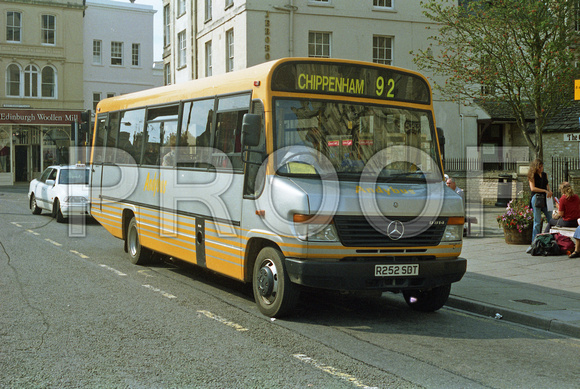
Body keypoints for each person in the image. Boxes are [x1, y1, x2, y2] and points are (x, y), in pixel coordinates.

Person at [528, 158, 552, 242]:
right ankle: (535, 241)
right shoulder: (532, 175)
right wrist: (544, 190)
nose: (541, 168)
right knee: (537, 221)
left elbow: (547, 184)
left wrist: (549, 191)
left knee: (550, 219)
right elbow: (532, 188)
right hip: (537, 198)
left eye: (542, 167)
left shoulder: (545, 174)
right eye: (540, 167)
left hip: (545, 198)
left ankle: (550, 238)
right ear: (536, 167)